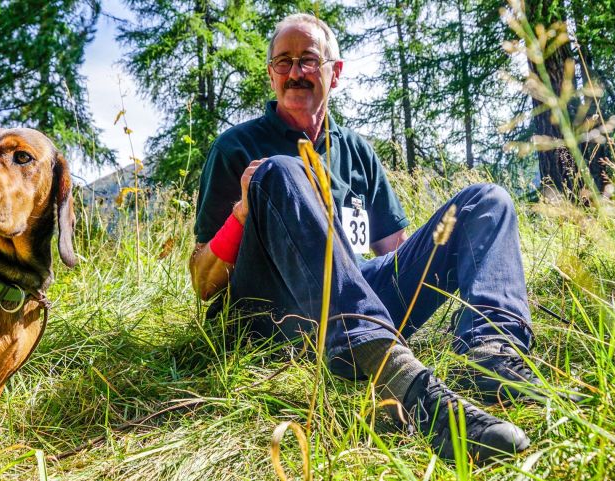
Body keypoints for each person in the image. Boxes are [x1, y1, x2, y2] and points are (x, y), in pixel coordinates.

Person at [189, 13, 544, 463]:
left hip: (354, 301)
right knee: (281, 170)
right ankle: (410, 385)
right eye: (284, 61)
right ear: (271, 74)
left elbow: (394, 255)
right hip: (274, 316)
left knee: (486, 202)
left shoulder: (356, 151)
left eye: (308, 60)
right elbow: (203, 284)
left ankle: (492, 357)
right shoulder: (236, 148)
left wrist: (439, 260)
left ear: (334, 73)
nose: (295, 72)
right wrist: (244, 210)